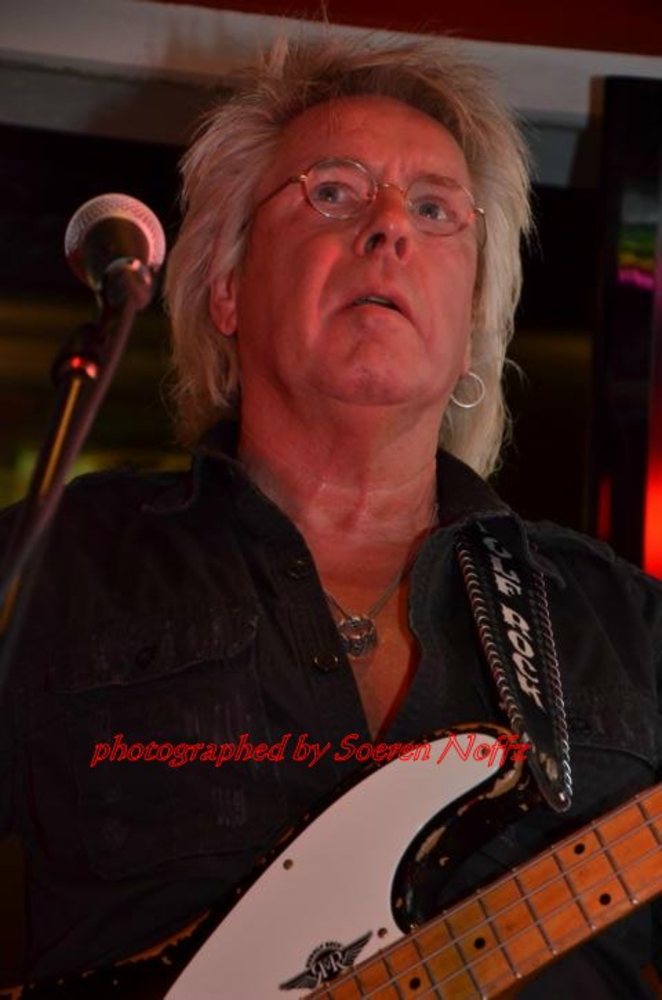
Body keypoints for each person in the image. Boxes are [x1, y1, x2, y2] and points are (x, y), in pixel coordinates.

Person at [0, 33, 660, 998]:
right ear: (227, 288)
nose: (390, 227)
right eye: (334, 192)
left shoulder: (620, 626)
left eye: (434, 208)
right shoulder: (62, 564)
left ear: (470, 322)